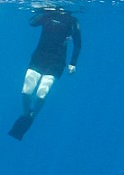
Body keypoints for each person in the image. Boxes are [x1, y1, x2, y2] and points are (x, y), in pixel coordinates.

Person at [8, 7, 82, 140]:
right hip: (38, 58)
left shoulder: (72, 21)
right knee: (26, 92)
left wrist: (73, 63)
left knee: (41, 95)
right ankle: (25, 115)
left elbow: (78, 44)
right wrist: (43, 10)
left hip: (56, 62)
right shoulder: (48, 14)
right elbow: (32, 23)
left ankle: (32, 117)